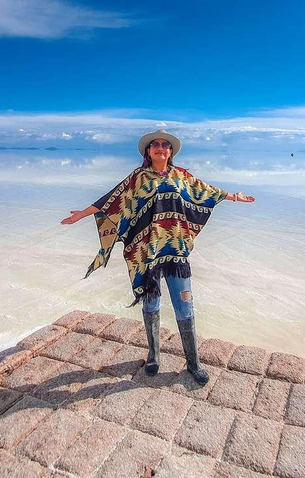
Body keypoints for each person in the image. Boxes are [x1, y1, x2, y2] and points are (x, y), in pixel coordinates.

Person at [61, 129, 255, 385]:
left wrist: (234, 198)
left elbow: (207, 192)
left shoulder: (181, 176)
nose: (161, 148)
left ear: (171, 152)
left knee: (184, 305)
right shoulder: (138, 178)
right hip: (148, 254)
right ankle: (154, 355)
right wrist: (82, 214)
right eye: (155, 145)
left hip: (175, 253)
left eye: (165, 145)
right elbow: (112, 199)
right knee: (150, 305)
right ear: (148, 152)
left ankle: (193, 362)